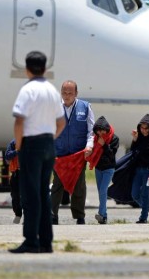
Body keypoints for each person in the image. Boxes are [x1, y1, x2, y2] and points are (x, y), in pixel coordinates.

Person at [9, 51, 65, 254]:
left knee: (30, 195)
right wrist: (51, 138)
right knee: (43, 193)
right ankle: (46, 242)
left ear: (27, 69)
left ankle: (31, 240)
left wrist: (18, 145)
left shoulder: (28, 89)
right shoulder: (51, 90)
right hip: (48, 144)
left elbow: (19, 120)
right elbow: (61, 122)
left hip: (31, 145)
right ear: (45, 69)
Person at [51, 80, 95, 225]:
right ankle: (52, 215)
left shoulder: (85, 107)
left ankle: (79, 216)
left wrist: (89, 146)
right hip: (60, 154)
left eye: (70, 93)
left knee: (79, 185)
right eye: (64, 92)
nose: (67, 95)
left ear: (76, 93)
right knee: (57, 185)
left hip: (78, 155)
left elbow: (91, 131)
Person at [86, 116, 119, 224]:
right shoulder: (95, 139)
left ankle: (101, 213)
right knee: (100, 192)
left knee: (103, 191)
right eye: (98, 131)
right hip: (98, 168)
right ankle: (103, 216)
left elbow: (111, 154)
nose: (100, 133)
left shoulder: (114, 138)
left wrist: (104, 145)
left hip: (109, 169)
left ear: (107, 129)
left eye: (102, 130)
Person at [130, 114, 149, 224]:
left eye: (146, 128)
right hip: (138, 170)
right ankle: (146, 208)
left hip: (148, 171)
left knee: (145, 193)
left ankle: (143, 217)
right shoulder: (138, 138)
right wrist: (134, 140)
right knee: (134, 194)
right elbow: (133, 152)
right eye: (142, 128)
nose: (144, 130)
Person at [5, 139, 23, 224]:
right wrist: (16, 151)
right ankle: (18, 214)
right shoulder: (13, 143)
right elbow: (7, 156)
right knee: (15, 196)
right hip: (16, 173)